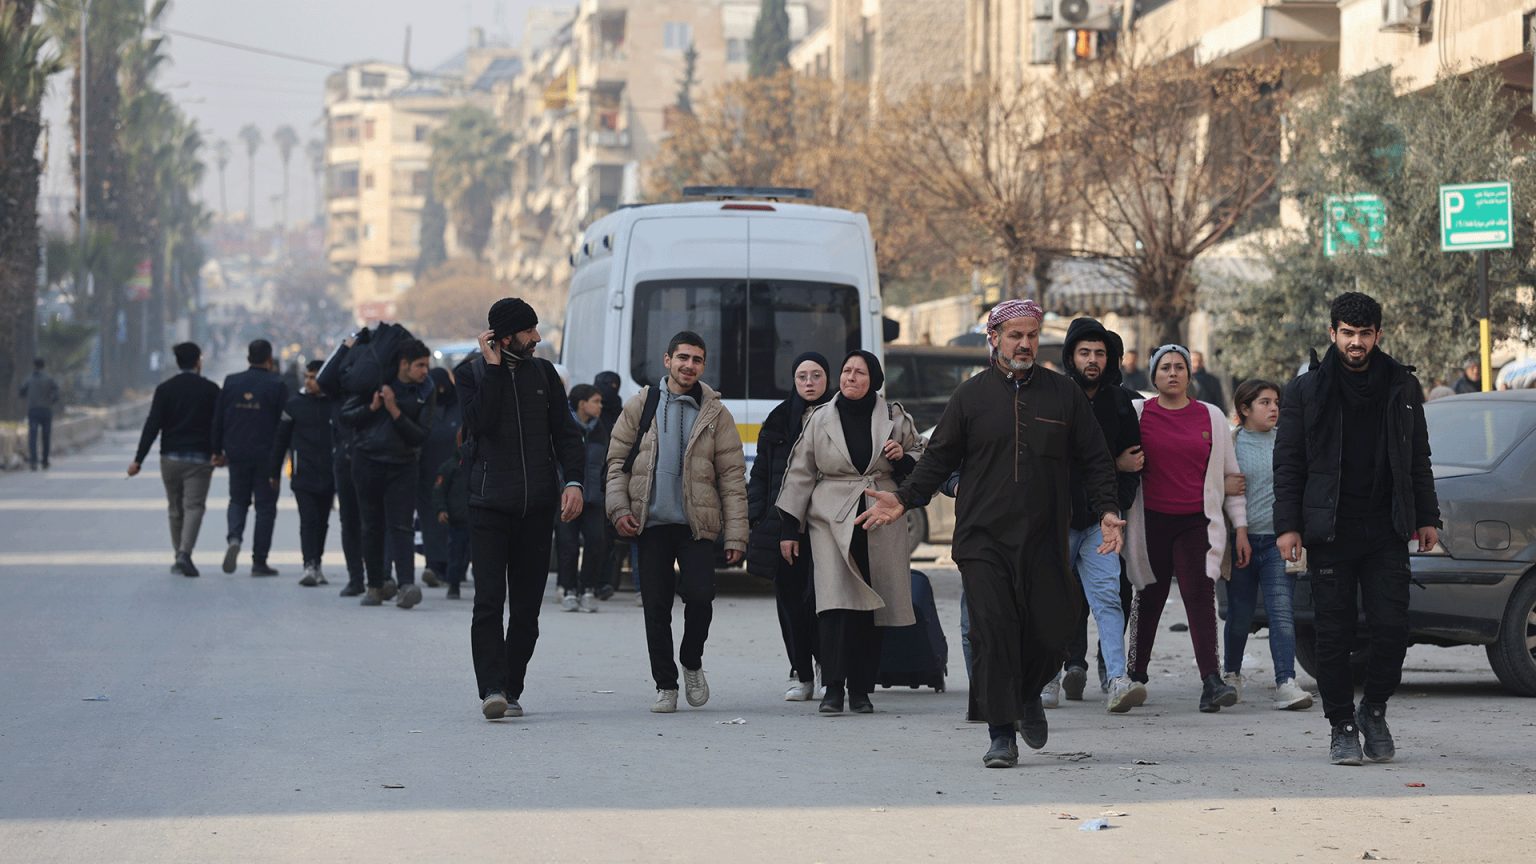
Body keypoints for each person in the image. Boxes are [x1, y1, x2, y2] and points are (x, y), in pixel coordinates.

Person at [858, 300, 1123, 769]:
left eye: (1031, 335)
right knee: (993, 633)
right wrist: (902, 499)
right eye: (1015, 335)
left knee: (1053, 629)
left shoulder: (1064, 396)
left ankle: (1028, 696)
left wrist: (1107, 510)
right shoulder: (970, 397)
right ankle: (1001, 733)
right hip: (983, 540)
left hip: (1045, 538)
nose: (1024, 343)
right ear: (994, 339)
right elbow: (937, 460)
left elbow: (1096, 458)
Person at [1273, 292, 1439, 766]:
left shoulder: (1401, 385)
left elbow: (1418, 458)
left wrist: (1426, 516)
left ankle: (1375, 710)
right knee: (1333, 634)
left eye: (1365, 334)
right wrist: (1289, 526)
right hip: (1330, 531)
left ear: (1378, 336)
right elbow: (1288, 462)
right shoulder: (1306, 390)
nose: (1356, 342)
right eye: (1348, 333)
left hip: (1386, 527)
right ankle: (1342, 725)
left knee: (1391, 628)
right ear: (1332, 333)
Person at [606, 331, 748, 714]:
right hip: (649, 524)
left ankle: (691, 660)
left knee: (701, 597)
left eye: (697, 360)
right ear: (667, 360)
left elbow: (733, 479)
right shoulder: (643, 404)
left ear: (704, 365)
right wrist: (620, 510)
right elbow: (616, 462)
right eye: (682, 357)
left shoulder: (716, 414)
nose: (689, 365)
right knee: (655, 606)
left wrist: (737, 533)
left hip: (696, 525)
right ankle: (665, 685)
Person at [458, 298, 585, 720]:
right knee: (489, 603)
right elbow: (480, 423)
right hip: (489, 506)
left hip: (537, 508)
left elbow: (567, 434)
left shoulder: (544, 374)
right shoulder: (471, 374)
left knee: (527, 609)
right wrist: (493, 369)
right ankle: (492, 688)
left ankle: (512, 686)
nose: (538, 338)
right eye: (530, 331)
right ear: (505, 336)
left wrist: (573, 481)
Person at [776, 351, 922, 715]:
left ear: (873, 379)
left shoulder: (893, 417)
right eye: (845, 371)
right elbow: (800, 472)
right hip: (829, 517)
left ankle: (861, 689)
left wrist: (902, 456)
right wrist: (789, 528)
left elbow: (924, 461)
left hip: (879, 516)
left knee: (871, 607)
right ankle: (833, 688)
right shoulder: (820, 417)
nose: (849, 378)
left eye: (858, 372)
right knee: (833, 604)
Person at [1121, 344, 1246, 713]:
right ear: (1154, 376)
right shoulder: (1138, 412)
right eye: (1165, 368)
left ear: (1190, 375)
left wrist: (1239, 526)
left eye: (1179, 367)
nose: (1173, 373)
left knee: (1199, 596)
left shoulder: (1210, 417)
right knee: (1149, 597)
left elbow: (1231, 476)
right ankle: (1135, 675)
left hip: (1197, 522)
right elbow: (1117, 459)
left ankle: (1212, 680)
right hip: (1151, 521)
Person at [1042, 318, 1147, 714]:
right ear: (1071, 356)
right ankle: (1048, 676)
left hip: (1101, 521)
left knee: (1108, 599)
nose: (1092, 360)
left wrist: (1113, 506)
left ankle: (1117, 678)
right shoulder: (1054, 397)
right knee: (1053, 600)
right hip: (1057, 520)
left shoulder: (1120, 402)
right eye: (1085, 352)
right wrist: (1111, 464)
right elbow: (1050, 460)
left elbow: (1134, 462)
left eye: (1100, 353)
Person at [747, 351, 835, 702]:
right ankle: (802, 672)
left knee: (824, 601)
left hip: (828, 524)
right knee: (790, 602)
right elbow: (762, 474)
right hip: (783, 525)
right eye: (802, 377)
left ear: (828, 379)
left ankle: (830, 668)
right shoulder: (779, 417)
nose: (810, 383)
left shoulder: (838, 415)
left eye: (816, 376)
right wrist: (757, 517)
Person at [1223, 379, 1313, 711]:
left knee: (1281, 613)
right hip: (1242, 543)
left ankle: (1286, 682)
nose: (1274, 408)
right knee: (1240, 614)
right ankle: (1231, 675)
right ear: (1244, 409)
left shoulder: (1287, 442)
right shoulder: (1231, 444)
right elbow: (1219, 490)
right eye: (1264, 402)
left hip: (1279, 543)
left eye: (1276, 401)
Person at [341, 338, 435, 609]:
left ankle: (406, 584)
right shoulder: (374, 383)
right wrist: (372, 408)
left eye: (427, 366)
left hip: (403, 465)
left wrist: (394, 410)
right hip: (367, 461)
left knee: (402, 526)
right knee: (371, 525)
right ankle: (375, 585)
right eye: (420, 366)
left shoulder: (425, 390)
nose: (425, 371)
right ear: (403, 365)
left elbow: (419, 435)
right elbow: (346, 417)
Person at [129, 342, 222, 577]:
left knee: (175, 508)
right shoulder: (210, 390)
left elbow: (152, 425)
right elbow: (219, 425)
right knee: (194, 506)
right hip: (200, 459)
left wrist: (138, 459)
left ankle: (179, 554)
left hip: (169, 458)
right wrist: (220, 451)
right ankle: (184, 553)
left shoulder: (165, 389)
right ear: (198, 362)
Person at [212, 339, 289, 576]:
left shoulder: (231, 382)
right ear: (269, 359)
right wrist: (286, 458)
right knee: (265, 508)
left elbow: (218, 419)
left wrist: (217, 451)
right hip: (267, 456)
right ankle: (259, 561)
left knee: (238, 500)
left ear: (248, 358)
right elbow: (284, 425)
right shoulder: (278, 385)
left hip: (236, 453)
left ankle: (234, 537)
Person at [269, 360, 335, 588]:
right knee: (308, 520)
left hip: (329, 474)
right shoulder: (294, 405)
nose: (309, 382)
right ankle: (309, 564)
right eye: (307, 377)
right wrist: (274, 472)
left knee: (323, 522)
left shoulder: (334, 405)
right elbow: (280, 440)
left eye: (314, 377)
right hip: (303, 473)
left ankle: (318, 563)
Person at [554, 384, 614, 612]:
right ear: (582, 404)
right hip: (567, 498)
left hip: (594, 500)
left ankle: (587, 588)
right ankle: (569, 590)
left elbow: (607, 463)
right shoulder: (565, 427)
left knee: (596, 543)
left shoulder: (601, 430)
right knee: (567, 545)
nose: (600, 406)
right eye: (596, 401)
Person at [316, 335, 368, 597]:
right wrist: (343, 349)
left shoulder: (373, 386)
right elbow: (322, 379)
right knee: (350, 521)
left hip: (370, 457)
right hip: (346, 458)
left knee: (370, 520)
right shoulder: (340, 389)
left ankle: (378, 576)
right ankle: (356, 578)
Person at [418, 367, 462, 589]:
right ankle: (433, 566)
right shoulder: (425, 407)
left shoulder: (460, 407)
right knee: (430, 522)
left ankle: (453, 568)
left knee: (454, 522)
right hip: (427, 473)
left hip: (455, 476)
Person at [431, 435, 472, 600]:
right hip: (457, 521)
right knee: (455, 555)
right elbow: (438, 492)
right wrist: (441, 510)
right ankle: (453, 585)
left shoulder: (480, 465)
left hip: (479, 520)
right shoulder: (449, 467)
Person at [19, 357, 60, 471]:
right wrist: (52, 400)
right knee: (46, 436)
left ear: (34, 365)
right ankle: (45, 461)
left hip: (33, 411)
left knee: (33, 436)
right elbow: (57, 391)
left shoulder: (29, 379)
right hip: (46, 410)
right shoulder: (49, 378)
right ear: (44, 366)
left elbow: (22, 391)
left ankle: (33, 461)